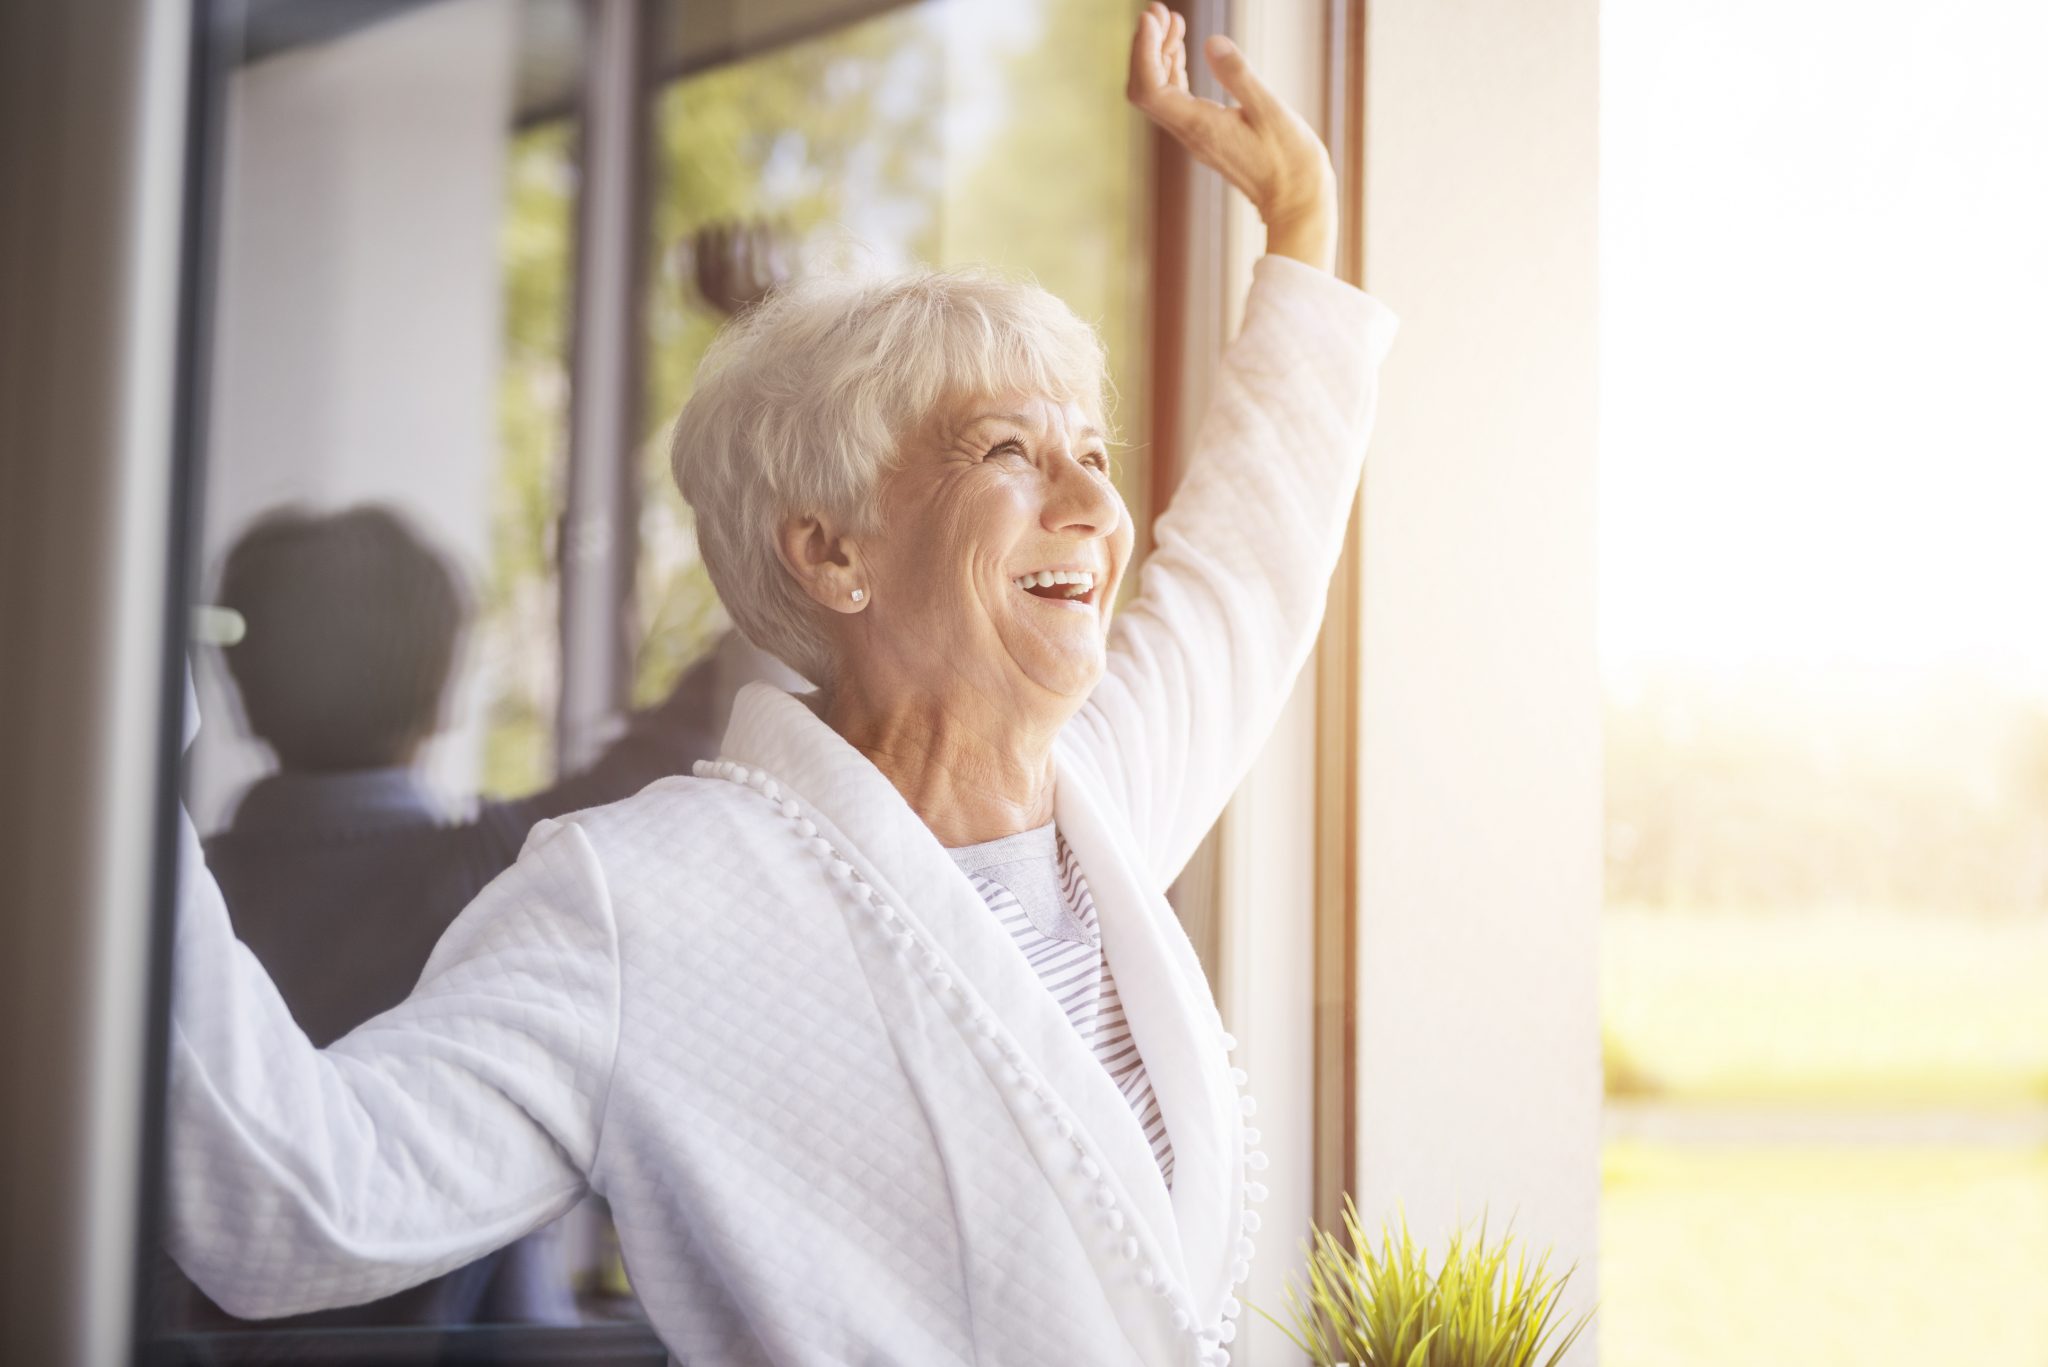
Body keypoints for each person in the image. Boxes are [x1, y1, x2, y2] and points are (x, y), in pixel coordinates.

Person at [165, 11, 1399, 1365]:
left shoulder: (1102, 796)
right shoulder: (644, 898)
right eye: (1009, 449)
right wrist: (92, 757)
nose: (1097, 502)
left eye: (1092, 449)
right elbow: (297, 1200)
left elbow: (1245, 567)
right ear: (829, 550)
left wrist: (1301, 226)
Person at [177, 505, 742, 1329]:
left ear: (242, 690)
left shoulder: (151, 908)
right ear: (442, 696)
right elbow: (718, 708)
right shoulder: (513, 871)